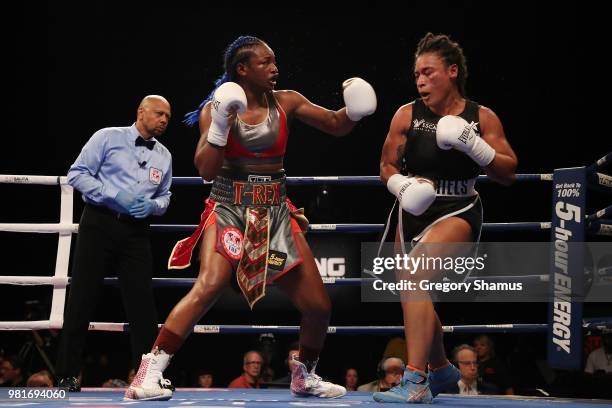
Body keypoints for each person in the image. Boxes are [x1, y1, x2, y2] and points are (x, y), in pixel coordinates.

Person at [125, 35, 376, 401]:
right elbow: (206, 172)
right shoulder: (216, 109)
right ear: (242, 69)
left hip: (275, 211)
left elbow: (335, 124)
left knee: (319, 306)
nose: (275, 68)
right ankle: (149, 371)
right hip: (228, 206)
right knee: (209, 285)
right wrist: (222, 125)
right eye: (266, 62)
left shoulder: (286, 101)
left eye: (275, 61)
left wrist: (354, 112)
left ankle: (304, 375)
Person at [373, 32, 517, 403]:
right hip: (412, 209)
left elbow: (508, 171)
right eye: (416, 73)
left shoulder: (481, 117)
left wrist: (475, 145)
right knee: (412, 290)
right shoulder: (407, 114)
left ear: (452, 72)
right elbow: (386, 165)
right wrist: (401, 185)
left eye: (428, 72)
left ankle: (416, 379)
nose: (420, 80)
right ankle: (440, 369)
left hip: (458, 208)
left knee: (416, 276)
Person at [55, 95, 173, 391]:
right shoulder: (107, 137)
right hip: (99, 224)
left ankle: (146, 376)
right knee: (82, 297)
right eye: (159, 114)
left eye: (167, 117)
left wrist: (154, 207)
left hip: (136, 233)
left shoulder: (165, 156)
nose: (163, 120)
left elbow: (166, 195)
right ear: (141, 112)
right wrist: (112, 195)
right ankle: (67, 374)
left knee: (142, 306)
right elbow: (76, 174)